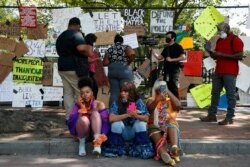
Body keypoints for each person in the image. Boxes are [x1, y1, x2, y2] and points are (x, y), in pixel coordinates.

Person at [200, 22, 244, 125]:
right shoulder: (220, 40)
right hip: (218, 70)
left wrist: (222, 54)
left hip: (230, 71)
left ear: (227, 30)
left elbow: (240, 55)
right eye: (218, 31)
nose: (219, 33)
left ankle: (229, 117)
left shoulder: (235, 39)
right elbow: (216, 56)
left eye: (221, 31)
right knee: (214, 93)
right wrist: (209, 51)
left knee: (230, 95)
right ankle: (212, 115)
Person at [102, 82, 154, 159]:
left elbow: (146, 118)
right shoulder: (117, 102)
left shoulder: (138, 101)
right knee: (116, 124)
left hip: (134, 132)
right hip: (122, 132)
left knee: (141, 124)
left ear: (131, 92)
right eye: (121, 91)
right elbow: (111, 118)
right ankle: (115, 149)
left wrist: (136, 115)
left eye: (125, 91)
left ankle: (142, 150)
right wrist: (126, 115)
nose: (122, 93)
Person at [56, 17, 92, 121]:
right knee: (80, 92)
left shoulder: (61, 36)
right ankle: (81, 117)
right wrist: (88, 50)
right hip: (75, 67)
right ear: (77, 25)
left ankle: (69, 117)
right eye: (79, 27)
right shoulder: (76, 34)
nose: (79, 29)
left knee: (68, 93)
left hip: (62, 67)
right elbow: (80, 48)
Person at [67, 77, 110, 156]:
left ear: (92, 93)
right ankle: (82, 145)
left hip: (96, 133)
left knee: (95, 113)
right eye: (82, 93)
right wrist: (81, 111)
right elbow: (71, 120)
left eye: (87, 92)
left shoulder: (99, 104)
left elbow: (105, 121)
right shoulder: (78, 105)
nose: (85, 95)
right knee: (83, 119)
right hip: (84, 134)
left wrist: (103, 134)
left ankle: (97, 144)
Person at [146, 80, 182, 166]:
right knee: (158, 138)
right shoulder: (151, 100)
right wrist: (157, 100)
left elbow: (178, 106)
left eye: (163, 88)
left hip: (168, 126)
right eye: (159, 88)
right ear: (155, 90)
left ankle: (174, 148)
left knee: (171, 121)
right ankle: (165, 156)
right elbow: (149, 110)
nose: (161, 90)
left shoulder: (169, 100)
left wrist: (168, 92)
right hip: (154, 126)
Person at [103, 34, 136, 106]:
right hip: (124, 70)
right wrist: (128, 63)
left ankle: (113, 112)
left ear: (114, 41)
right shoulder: (126, 47)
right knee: (128, 91)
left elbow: (105, 63)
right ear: (122, 41)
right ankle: (130, 111)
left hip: (112, 71)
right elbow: (132, 54)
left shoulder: (110, 49)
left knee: (114, 93)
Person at [153, 31, 186, 99]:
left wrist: (172, 60)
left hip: (174, 70)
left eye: (168, 37)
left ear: (173, 38)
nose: (167, 38)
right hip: (166, 70)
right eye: (166, 37)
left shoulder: (178, 46)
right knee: (167, 86)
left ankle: (177, 103)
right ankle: (169, 103)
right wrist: (153, 52)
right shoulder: (166, 48)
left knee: (173, 85)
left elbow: (183, 56)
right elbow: (160, 57)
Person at [84, 33, 99, 99]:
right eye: (93, 41)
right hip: (89, 70)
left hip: (90, 70)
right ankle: (132, 108)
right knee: (93, 88)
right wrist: (96, 59)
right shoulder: (88, 47)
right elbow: (87, 59)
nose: (94, 43)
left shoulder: (86, 47)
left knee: (92, 88)